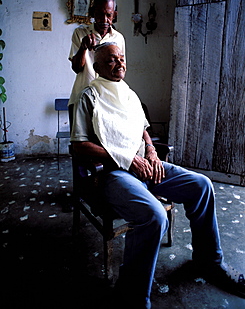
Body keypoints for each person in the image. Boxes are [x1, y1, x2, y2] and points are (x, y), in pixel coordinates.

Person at [70, 43, 245, 309]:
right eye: (111, 60)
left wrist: (151, 149)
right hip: (115, 173)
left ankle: (209, 262)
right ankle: (131, 295)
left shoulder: (128, 94)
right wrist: (128, 159)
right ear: (97, 67)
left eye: (122, 58)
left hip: (146, 165)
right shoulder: (89, 97)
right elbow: (79, 145)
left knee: (202, 185)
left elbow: (141, 128)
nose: (119, 63)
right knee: (154, 216)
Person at [68, 0, 126, 126]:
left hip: (107, 101)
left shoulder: (118, 38)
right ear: (93, 13)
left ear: (114, 15)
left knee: (103, 144)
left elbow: (120, 72)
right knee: (79, 144)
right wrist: (83, 47)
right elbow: (76, 68)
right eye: (100, 14)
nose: (104, 20)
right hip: (81, 97)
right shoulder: (80, 33)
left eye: (109, 15)